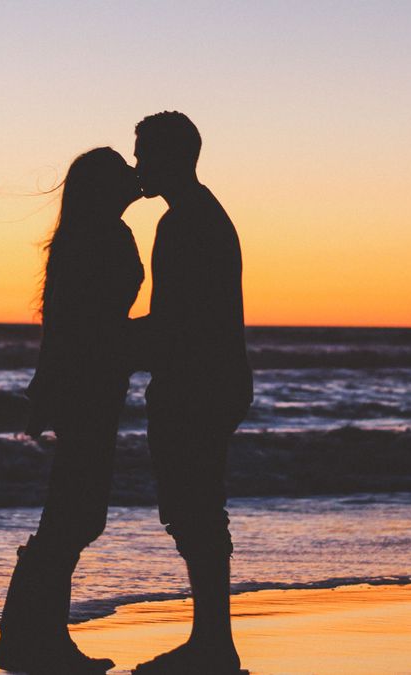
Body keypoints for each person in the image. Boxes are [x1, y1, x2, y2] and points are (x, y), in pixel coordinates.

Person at [0, 147, 144, 674]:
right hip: (91, 388)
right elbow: (84, 326)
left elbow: (68, 323)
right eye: (124, 171)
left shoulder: (88, 234)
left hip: (91, 386)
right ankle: (32, 639)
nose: (135, 175)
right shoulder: (101, 236)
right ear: (105, 187)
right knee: (75, 514)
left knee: (73, 513)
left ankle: (28, 637)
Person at [130, 112, 252, 674]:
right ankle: (212, 640)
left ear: (171, 157)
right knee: (198, 508)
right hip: (216, 379)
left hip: (196, 383)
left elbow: (175, 319)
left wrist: (106, 342)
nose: (137, 166)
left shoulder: (184, 223)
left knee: (194, 509)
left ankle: (213, 644)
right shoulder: (202, 215)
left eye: (144, 154)